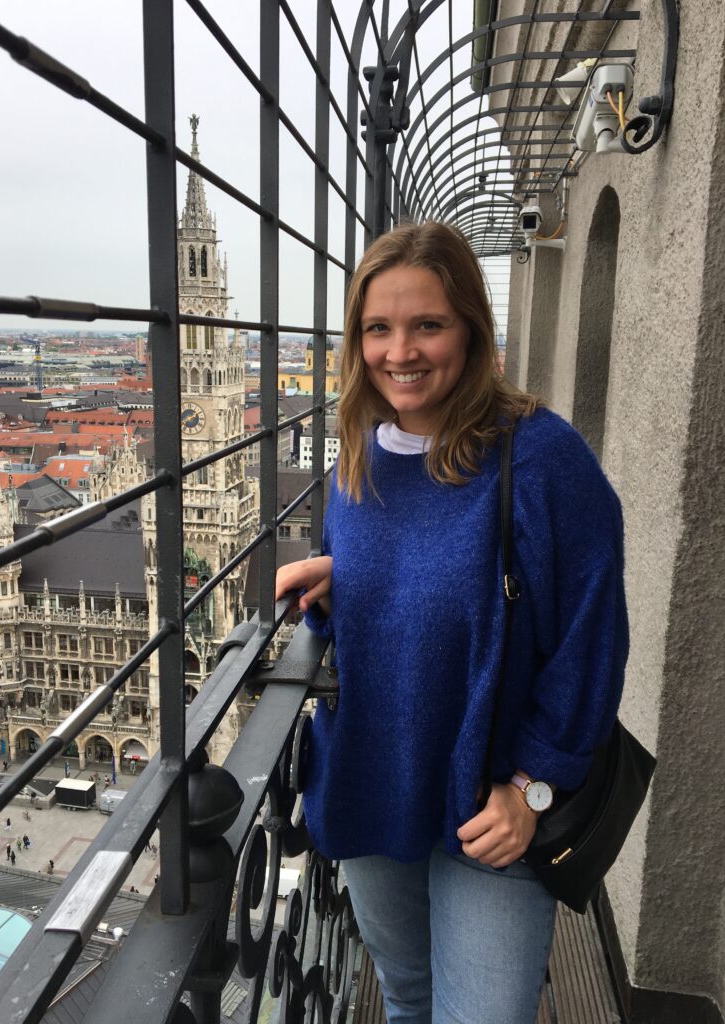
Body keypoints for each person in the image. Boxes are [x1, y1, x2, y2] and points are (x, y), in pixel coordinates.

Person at [275, 221, 629, 1024]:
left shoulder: (540, 457)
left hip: (491, 806)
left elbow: (592, 640)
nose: (400, 351)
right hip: (375, 780)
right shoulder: (360, 451)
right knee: (405, 998)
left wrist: (532, 788)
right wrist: (347, 583)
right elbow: (415, 577)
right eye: (378, 328)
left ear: (470, 326)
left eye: (427, 324)